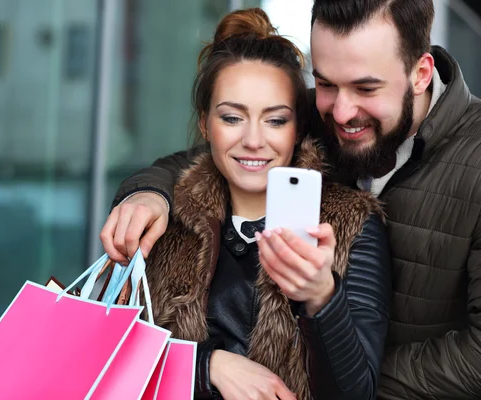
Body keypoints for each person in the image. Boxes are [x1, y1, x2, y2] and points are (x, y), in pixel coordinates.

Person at [101, 1, 481, 399]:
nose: (341, 113)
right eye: (325, 83)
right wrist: (147, 192)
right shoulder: (311, 117)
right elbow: (212, 158)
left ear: (420, 74)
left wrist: (336, 367)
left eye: (365, 88)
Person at [107, 7, 391, 400]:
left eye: (275, 120)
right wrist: (208, 366)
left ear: (298, 128)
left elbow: (356, 393)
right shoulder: (161, 217)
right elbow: (109, 354)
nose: (254, 140)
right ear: (206, 124)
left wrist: (322, 298)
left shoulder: (351, 226)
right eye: (232, 118)